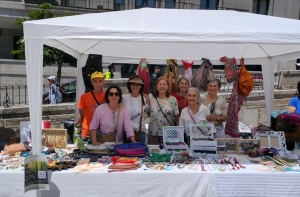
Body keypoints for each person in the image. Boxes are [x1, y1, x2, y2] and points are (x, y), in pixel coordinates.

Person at [148, 77, 179, 144]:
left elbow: (177, 117)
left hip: (169, 132)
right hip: (153, 132)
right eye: (160, 84)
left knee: (168, 153)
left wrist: (178, 131)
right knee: (154, 153)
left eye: (164, 84)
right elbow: (148, 112)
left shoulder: (173, 99)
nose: (162, 86)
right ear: (156, 86)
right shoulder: (151, 98)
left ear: (168, 86)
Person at [77, 71, 106, 140]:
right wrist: (78, 132)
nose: (98, 84)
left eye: (100, 81)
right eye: (95, 81)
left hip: (104, 133)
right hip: (88, 133)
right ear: (92, 82)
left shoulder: (108, 96)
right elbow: (81, 115)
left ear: (104, 82)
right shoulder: (84, 97)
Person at [122, 76, 150, 143]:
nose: (135, 86)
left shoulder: (145, 99)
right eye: (133, 84)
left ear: (141, 86)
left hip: (140, 131)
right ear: (130, 85)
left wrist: (147, 129)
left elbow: (147, 113)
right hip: (126, 131)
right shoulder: (123, 98)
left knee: (140, 151)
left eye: (138, 84)